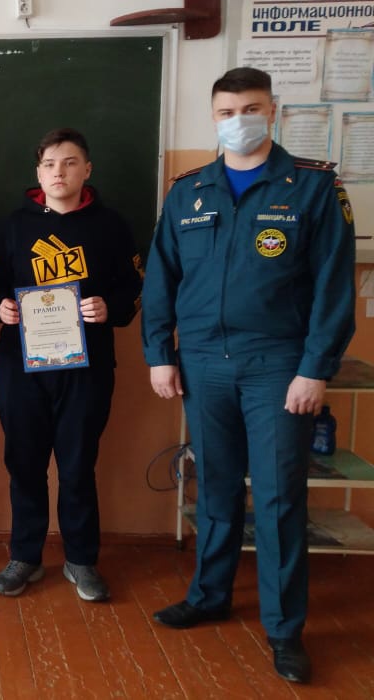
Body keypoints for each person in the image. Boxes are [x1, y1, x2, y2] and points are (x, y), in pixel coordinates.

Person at [142, 67, 356, 685]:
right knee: (214, 487)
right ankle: (210, 595)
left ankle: (284, 629)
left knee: (279, 496)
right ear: (213, 118)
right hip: (202, 364)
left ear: (272, 110)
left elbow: (333, 287)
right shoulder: (188, 191)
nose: (239, 120)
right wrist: (160, 353)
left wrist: (315, 369)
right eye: (226, 112)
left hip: (278, 367)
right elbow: (162, 278)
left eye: (251, 108)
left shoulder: (313, 187)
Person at [0, 128, 142, 602]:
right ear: (38, 173)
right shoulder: (14, 225)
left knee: (77, 464)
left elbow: (133, 286)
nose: (59, 172)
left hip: (86, 368)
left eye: (70, 163)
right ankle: (25, 556)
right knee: (24, 463)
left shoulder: (111, 225)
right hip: (21, 367)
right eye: (50, 164)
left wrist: (110, 308)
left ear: (86, 170)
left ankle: (81, 559)